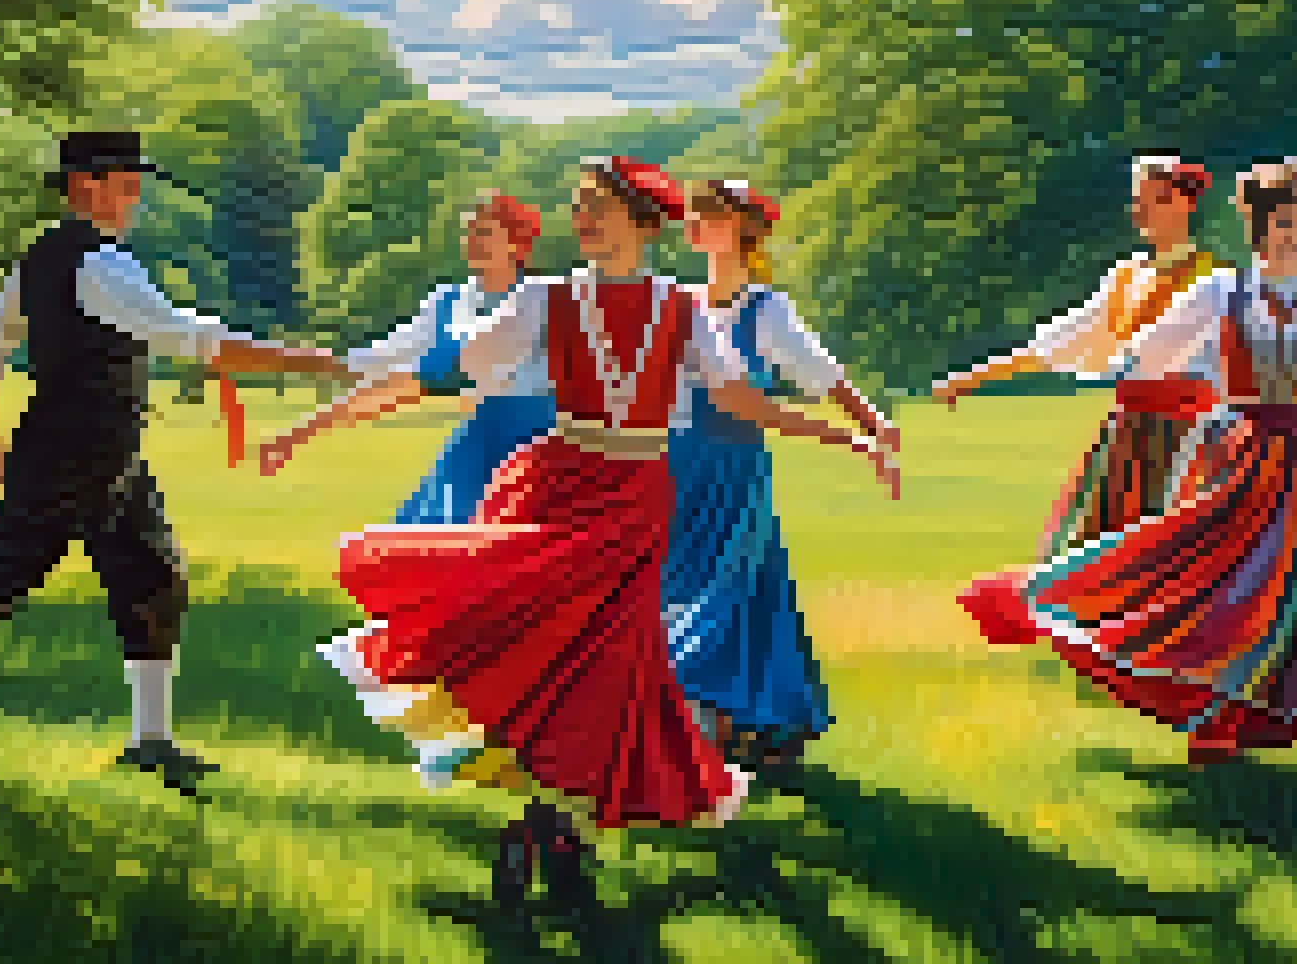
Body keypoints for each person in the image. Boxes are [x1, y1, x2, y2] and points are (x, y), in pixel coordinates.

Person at [314, 156, 898, 913]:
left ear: (643, 224)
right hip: (558, 487)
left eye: (598, 207)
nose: (583, 219)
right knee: (547, 652)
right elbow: (446, 371)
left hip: (638, 502)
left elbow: (739, 397)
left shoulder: (680, 310)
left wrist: (845, 437)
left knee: (614, 669)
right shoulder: (546, 302)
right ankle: (554, 831)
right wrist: (331, 412)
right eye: (580, 207)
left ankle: (555, 831)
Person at [0, 132, 344, 796]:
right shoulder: (103, 266)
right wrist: (308, 360)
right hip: (76, 450)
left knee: (155, 575)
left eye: (136, 182)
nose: (136, 195)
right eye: (125, 182)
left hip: (106, 451)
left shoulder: (41, 260)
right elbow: (192, 339)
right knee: (0, 577)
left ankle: (150, 741)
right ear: (85, 185)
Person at [960, 157, 1297, 766]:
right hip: (1235, 456)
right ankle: (1204, 710)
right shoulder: (1219, 291)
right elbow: (1144, 355)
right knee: (1214, 586)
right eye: (1288, 222)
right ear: (1260, 226)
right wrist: (1159, 382)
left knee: (1291, 596)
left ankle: (1238, 717)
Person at [664, 178, 897, 772]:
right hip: (674, 465)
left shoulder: (765, 309)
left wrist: (870, 424)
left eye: (708, 215)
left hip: (733, 469)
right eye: (692, 215)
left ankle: (712, 728)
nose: (693, 224)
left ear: (740, 228)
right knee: (710, 591)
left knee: (720, 592)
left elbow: (820, 372)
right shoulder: (684, 302)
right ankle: (753, 725)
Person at [933, 152, 1223, 575]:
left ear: (1185, 204)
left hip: (1196, 432)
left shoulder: (1216, 278)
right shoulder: (1126, 277)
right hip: (1132, 431)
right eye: (1137, 199)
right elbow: (1064, 339)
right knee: (1104, 547)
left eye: (1152, 199)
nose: (1138, 210)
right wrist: (975, 376)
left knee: (1183, 549)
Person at [257, 190, 556, 523]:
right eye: (469, 230)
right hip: (482, 443)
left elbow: (416, 377)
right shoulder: (448, 303)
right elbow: (385, 356)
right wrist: (319, 372)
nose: (473, 240)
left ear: (518, 243)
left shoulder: (546, 300)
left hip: (540, 446)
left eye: (485, 231)